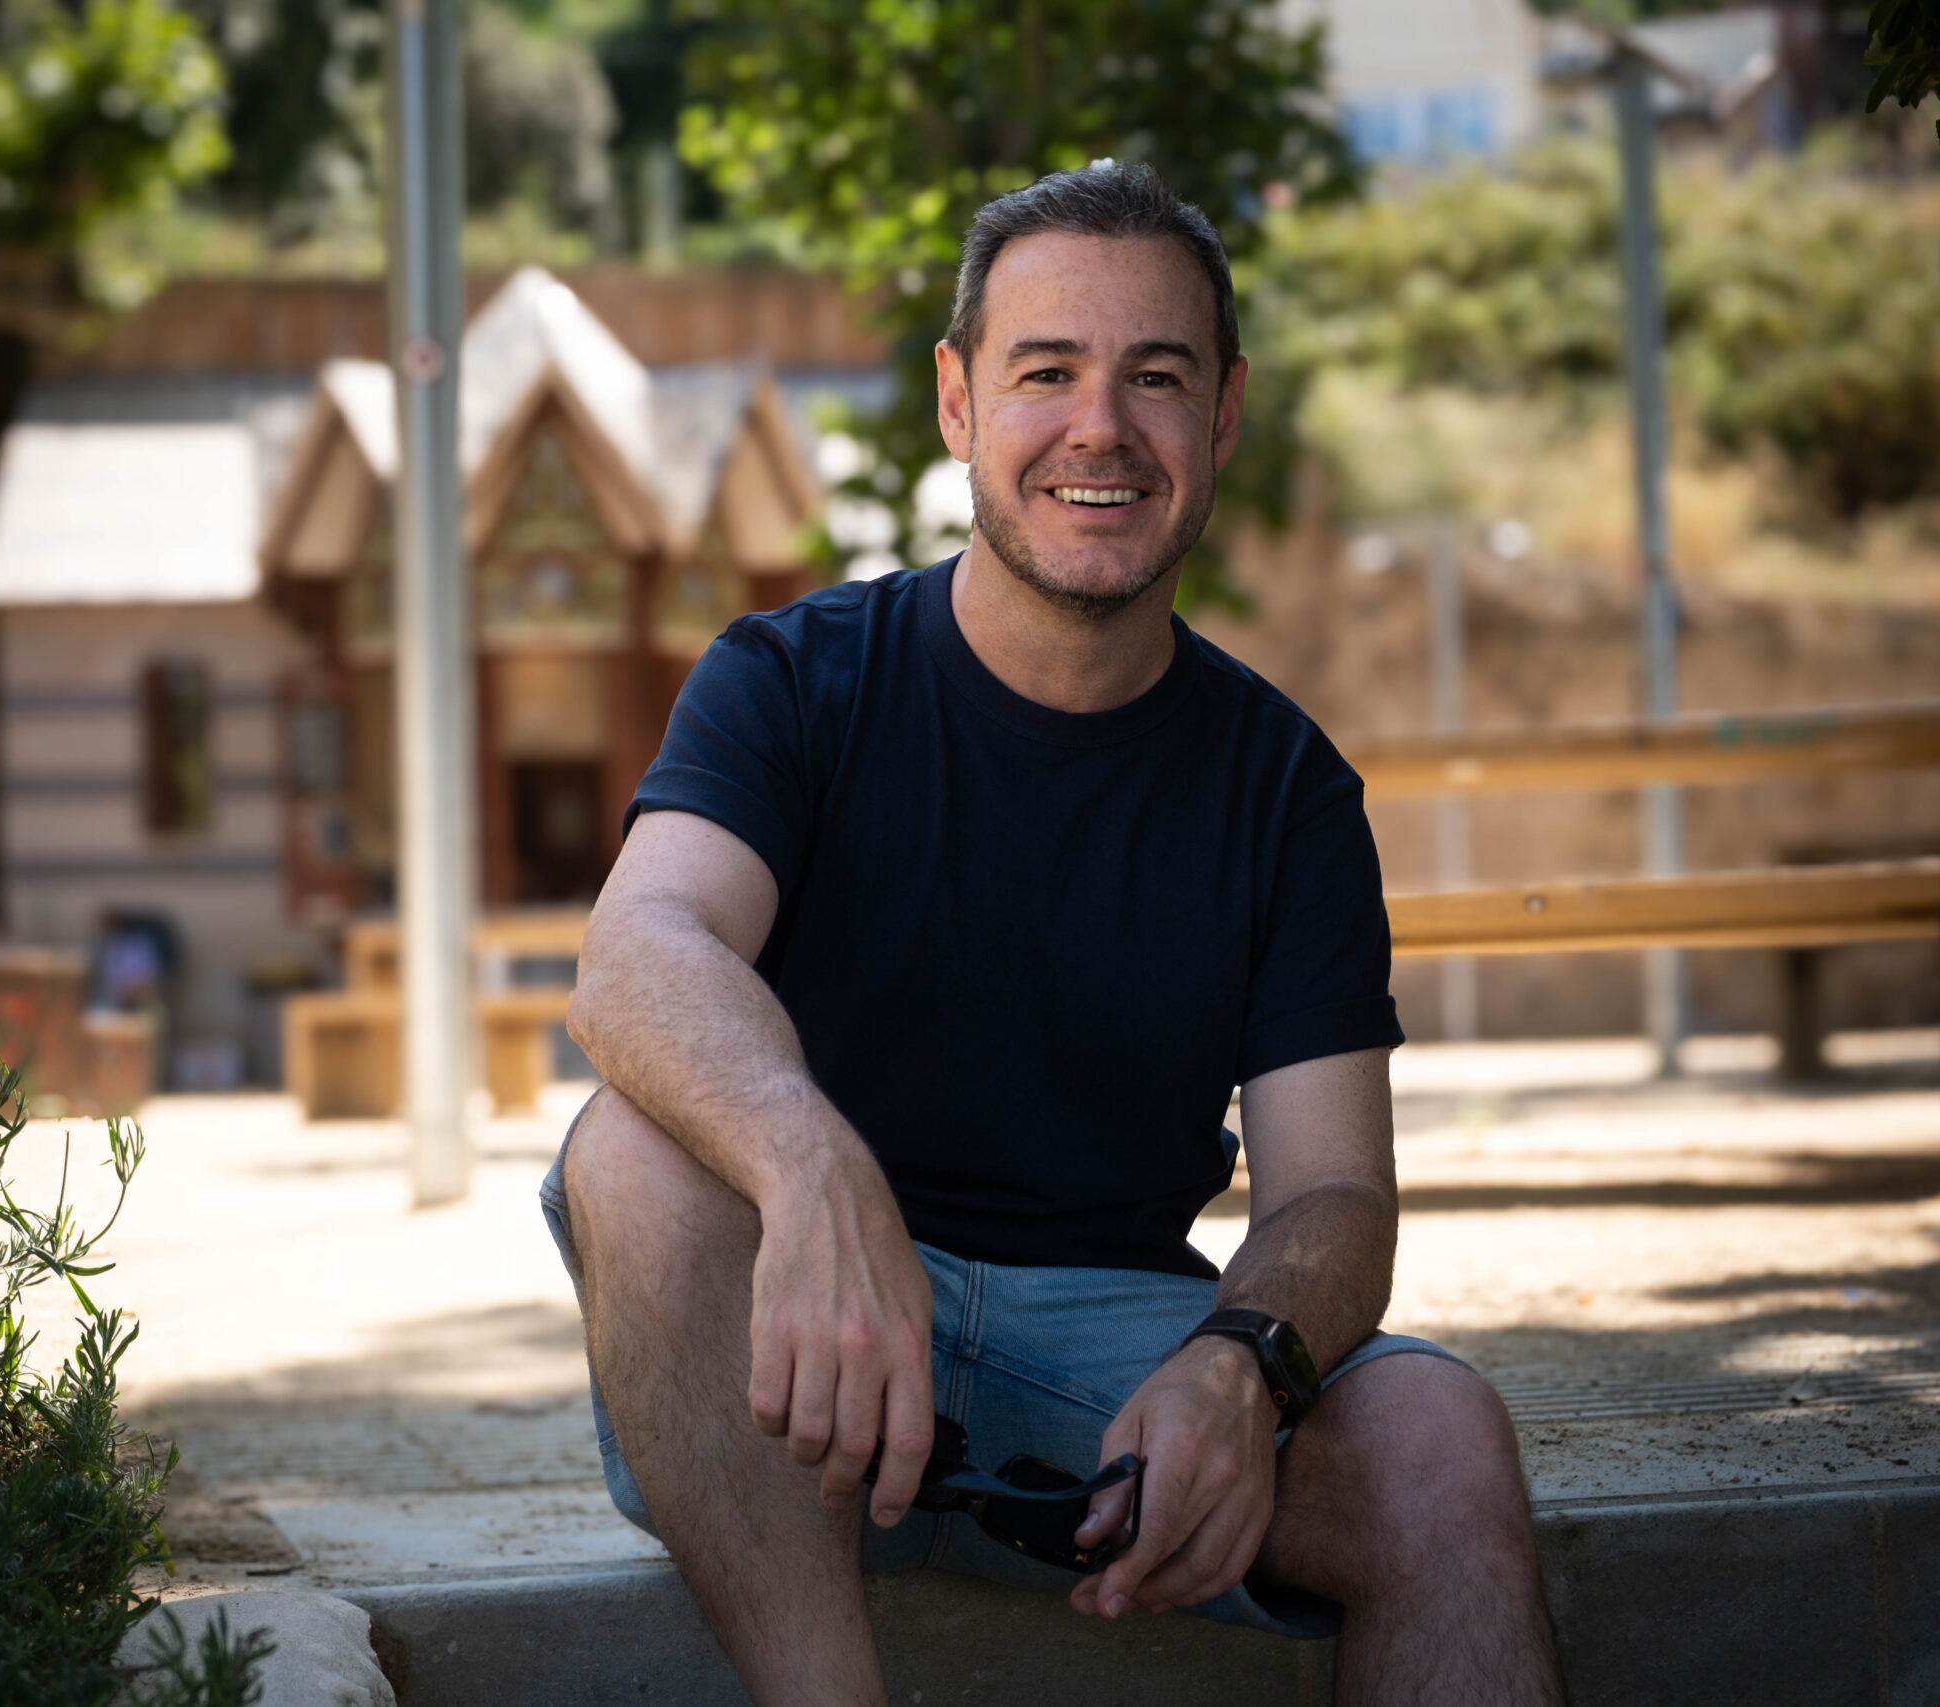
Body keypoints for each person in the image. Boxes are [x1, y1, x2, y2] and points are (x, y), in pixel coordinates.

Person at [543, 163, 1567, 1707]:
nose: (1102, 427)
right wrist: (815, 1168)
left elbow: (1339, 1191)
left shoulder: (1284, 788)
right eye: (1046, 373)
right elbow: (643, 952)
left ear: (1222, 418)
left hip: (1104, 1379)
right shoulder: (793, 681)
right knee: (632, 1152)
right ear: (959, 405)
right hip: (784, 1367)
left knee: (1441, 1440)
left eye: (1157, 378)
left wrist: (1244, 1365)